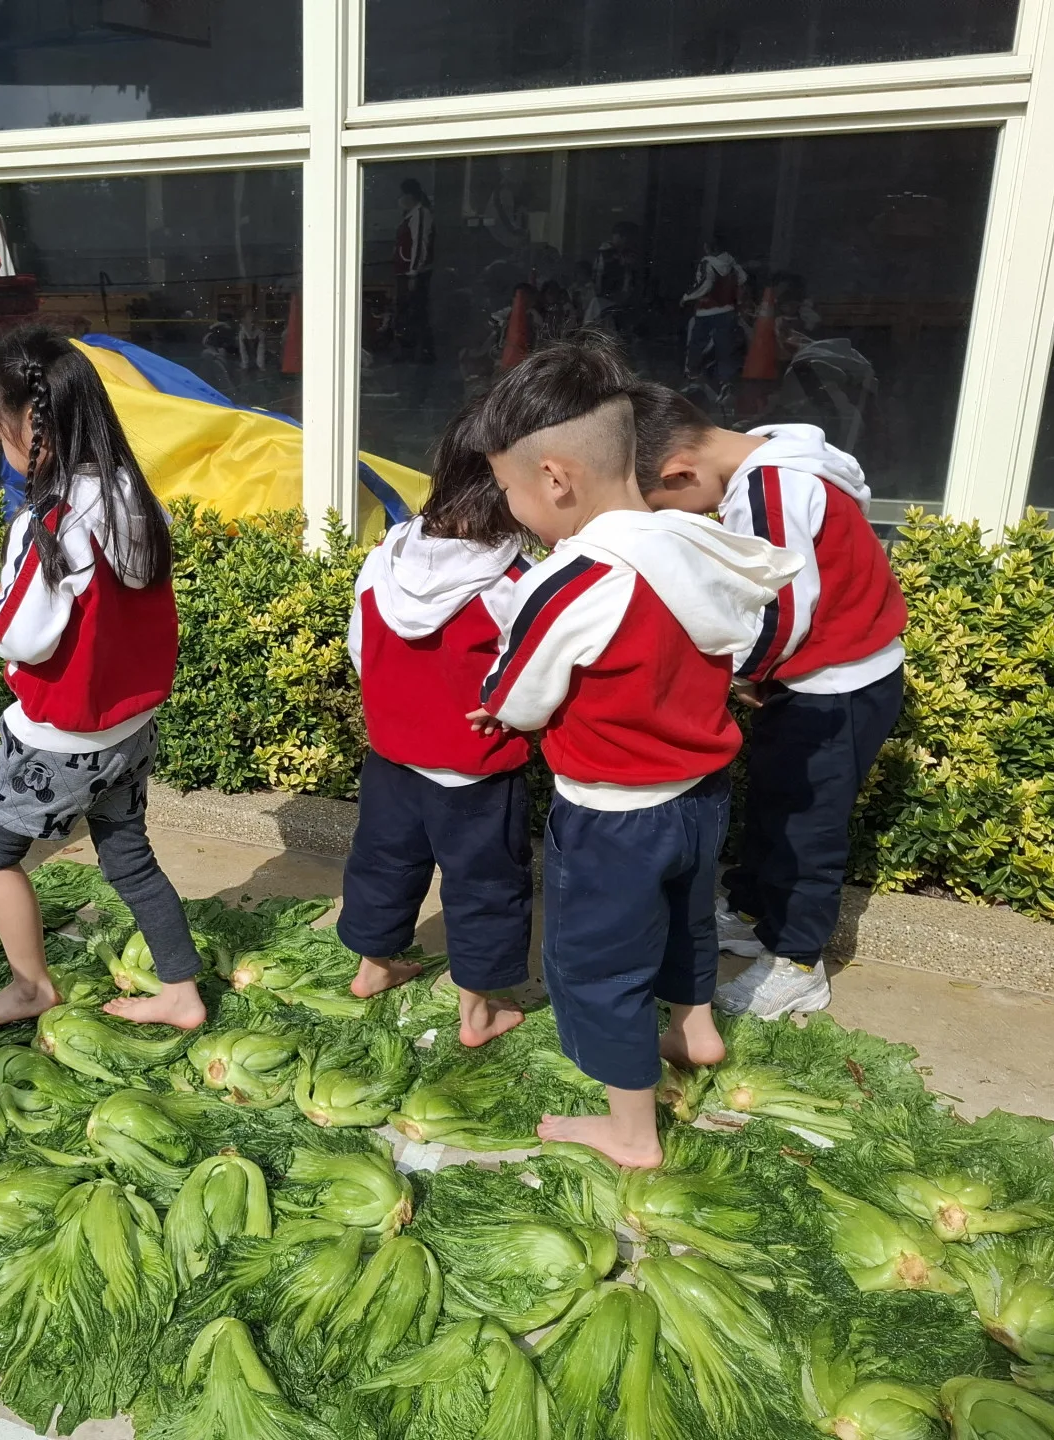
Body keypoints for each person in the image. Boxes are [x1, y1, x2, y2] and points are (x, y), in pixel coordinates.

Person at [466, 339, 800, 1168]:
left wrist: (503, 713)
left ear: (555, 477)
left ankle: (630, 1130)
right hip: (702, 795)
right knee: (685, 921)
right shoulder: (696, 543)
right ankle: (694, 1031)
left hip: (615, 816)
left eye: (507, 489)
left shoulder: (575, 580)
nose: (511, 508)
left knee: (595, 964)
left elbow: (519, 691)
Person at [629, 384, 906, 1020]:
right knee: (778, 804)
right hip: (828, 676)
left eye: (669, 503)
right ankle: (753, 910)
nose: (695, 515)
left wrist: (738, 673)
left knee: (808, 826)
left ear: (680, 472)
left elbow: (782, 606)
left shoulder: (765, 490)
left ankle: (797, 960)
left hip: (834, 687)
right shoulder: (782, 454)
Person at [0, 325, 203, 1030]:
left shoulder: (49, 520)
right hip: (127, 726)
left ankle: (30, 986)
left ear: (33, 431)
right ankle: (181, 991)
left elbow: (26, 634)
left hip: (58, 737)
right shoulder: (133, 495)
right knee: (127, 854)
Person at [339, 398, 535, 1047]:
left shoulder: (389, 551)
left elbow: (361, 647)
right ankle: (476, 1011)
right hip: (476, 768)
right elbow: (535, 673)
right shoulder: (513, 579)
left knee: (384, 860)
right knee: (485, 883)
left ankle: (373, 966)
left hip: (394, 756)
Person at [682, 235, 749, 392]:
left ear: (707, 248)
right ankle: (726, 382)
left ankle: (693, 378)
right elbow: (743, 281)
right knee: (725, 347)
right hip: (727, 311)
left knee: (697, 344)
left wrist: (687, 297)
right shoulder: (732, 264)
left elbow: (705, 285)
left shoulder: (707, 263)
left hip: (706, 310)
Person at [394, 178, 437, 363]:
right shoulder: (410, 215)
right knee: (408, 313)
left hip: (415, 274)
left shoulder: (420, 214)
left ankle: (418, 352)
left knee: (416, 313)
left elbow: (419, 245)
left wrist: (413, 272)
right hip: (405, 272)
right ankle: (408, 351)